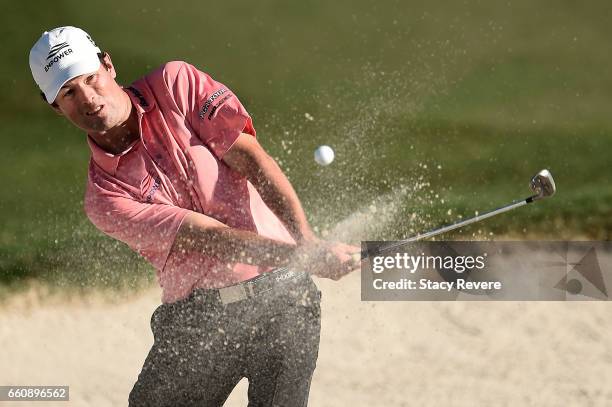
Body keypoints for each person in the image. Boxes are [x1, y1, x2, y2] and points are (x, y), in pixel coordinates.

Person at [29, 26, 359, 406]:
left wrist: (307, 242)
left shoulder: (175, 84)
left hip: (285, 298)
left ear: (109, 65)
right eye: (69, 92)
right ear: (55, 105)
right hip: (199, 321)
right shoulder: (104, 197)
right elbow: (211, 238)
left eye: (91, 78)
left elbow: (251, 158)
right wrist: (302, 255)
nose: (89, 98)